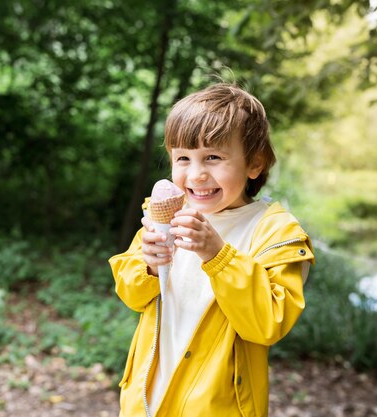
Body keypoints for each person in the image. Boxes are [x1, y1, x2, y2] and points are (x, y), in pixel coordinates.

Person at [109, 83, 315, 417]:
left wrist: (219, 256)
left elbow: (268, 324)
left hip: (217, 407)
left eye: (214, 157)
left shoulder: (277, 233)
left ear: (254, 164)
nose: (196, 174)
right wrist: (147, 266)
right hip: (147, 400)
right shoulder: (165, 212)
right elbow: (131, 295)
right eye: (183, 158)